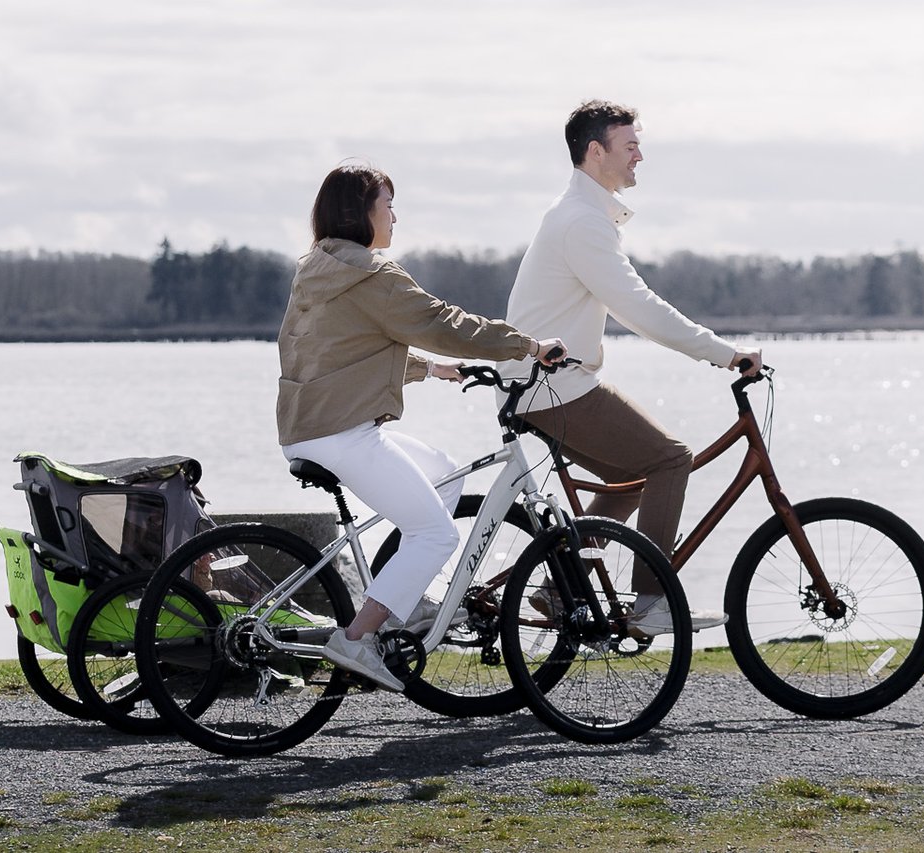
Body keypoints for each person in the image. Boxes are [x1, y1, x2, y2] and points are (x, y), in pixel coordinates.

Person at [278, 162, 563, 691]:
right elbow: (441, 322)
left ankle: (405, 598)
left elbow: (340, 350)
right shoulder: (373, 275)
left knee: (445, 474)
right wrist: (527, 344)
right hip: (342, 431)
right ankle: (357, 639)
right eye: (388, 205)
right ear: (362, 213)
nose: (395, 216)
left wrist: (429, 368)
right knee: (434, 532)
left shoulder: (319, 268)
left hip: (312, 423)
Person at [502, 99, 761, 632]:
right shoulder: (581, 223)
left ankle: (560, 589)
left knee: (631, 476)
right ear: (596, 152)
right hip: (553, 386)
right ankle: (651, 603)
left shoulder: (581, 216)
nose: (640, 156)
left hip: (547, 385)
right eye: (631, 145)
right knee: (669, 461)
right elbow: (639, 308)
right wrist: (724, 353)